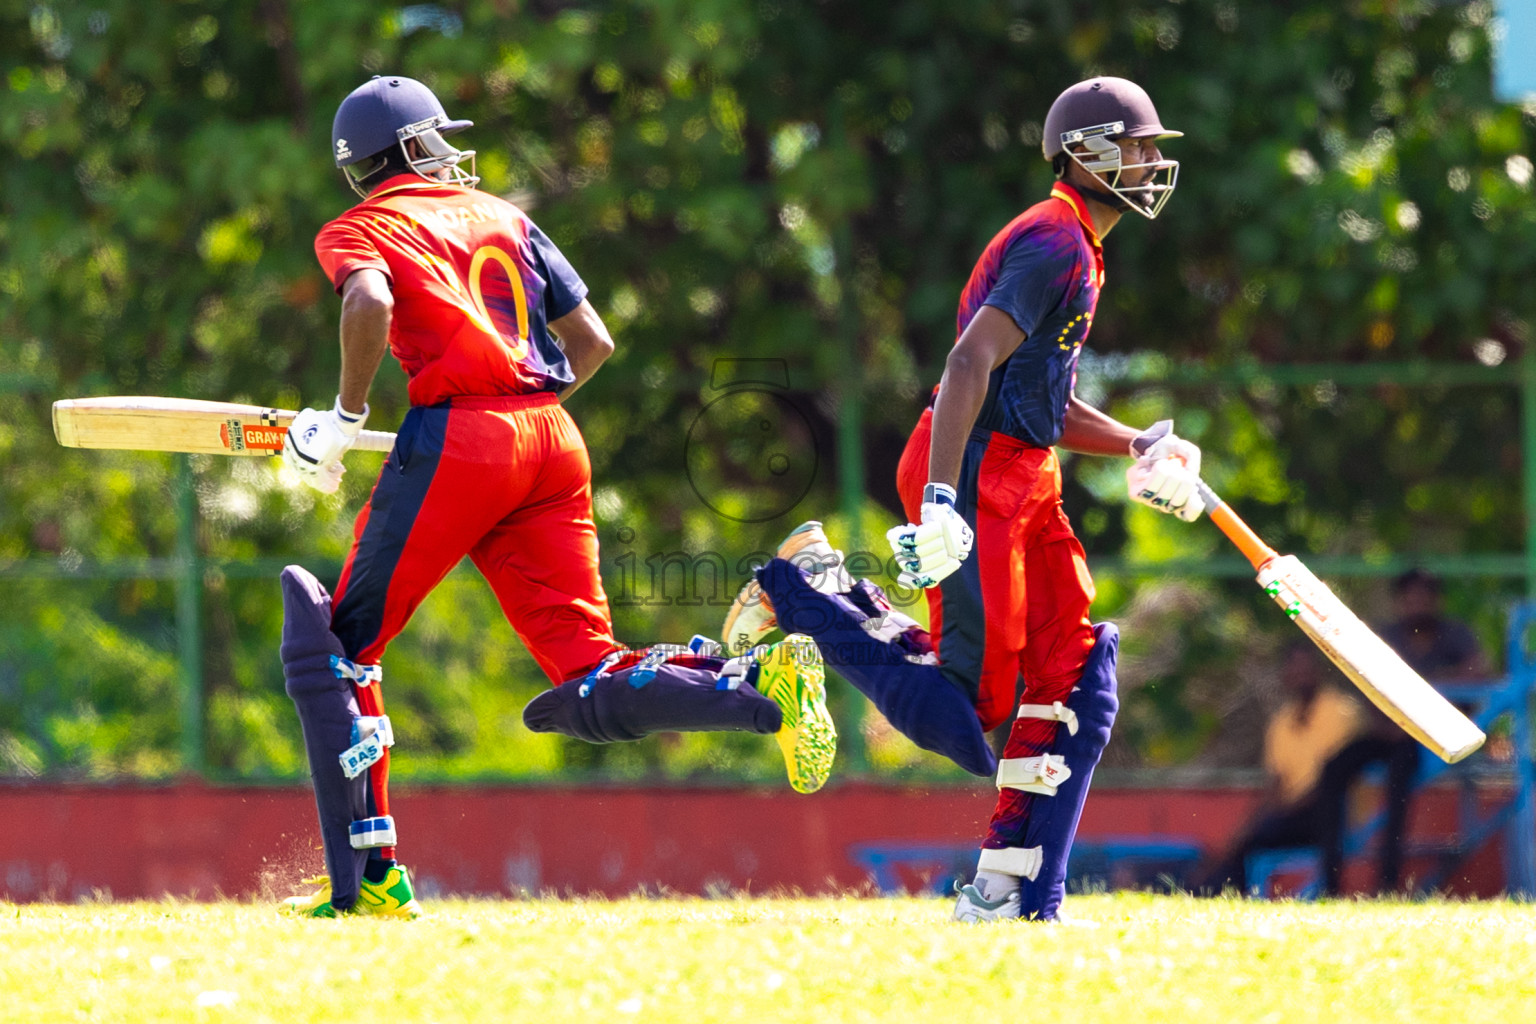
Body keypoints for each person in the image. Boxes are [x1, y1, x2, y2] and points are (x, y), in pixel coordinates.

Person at [277, 75, 835, 919]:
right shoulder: (507, 215)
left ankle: (373, 882)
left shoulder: (360, 226)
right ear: (411, 147)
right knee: (588, 674)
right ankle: (752, 683)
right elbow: (594, 341)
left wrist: (348, 415)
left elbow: (369, 296)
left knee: (341, 653)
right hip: (550, 436)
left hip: (463, 436)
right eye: (436, 138)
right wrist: (516, 412)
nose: (449, 152)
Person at [721, 78, 1202, 922]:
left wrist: (1135, 443)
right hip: (976, 467)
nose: (1153, 160)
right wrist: (942, 496)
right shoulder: (1055, 238)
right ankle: (804, 590)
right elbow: (967, 366)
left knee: (1077, 677)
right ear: (1085, 153)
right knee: (970, 708)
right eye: (1138, 144)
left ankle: (1012, 893)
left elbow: (1041, 403)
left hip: (1024, 468)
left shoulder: (1081, 245)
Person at [1193, 644, 1365, 895]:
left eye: (1307, 666)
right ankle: (1214, 890)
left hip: (1331, 815)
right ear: (1285, 674)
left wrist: (1276, 817)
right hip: (1291, 817)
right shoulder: (1281, 722)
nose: (1301, 673)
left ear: (1319, 669)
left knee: (1254, 840)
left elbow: (1333, 781)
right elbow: (1274, 786)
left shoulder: (1341, 711)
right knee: (1244, 841)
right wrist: (1251, 825)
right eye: (1294, 667)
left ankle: (1215, 892)